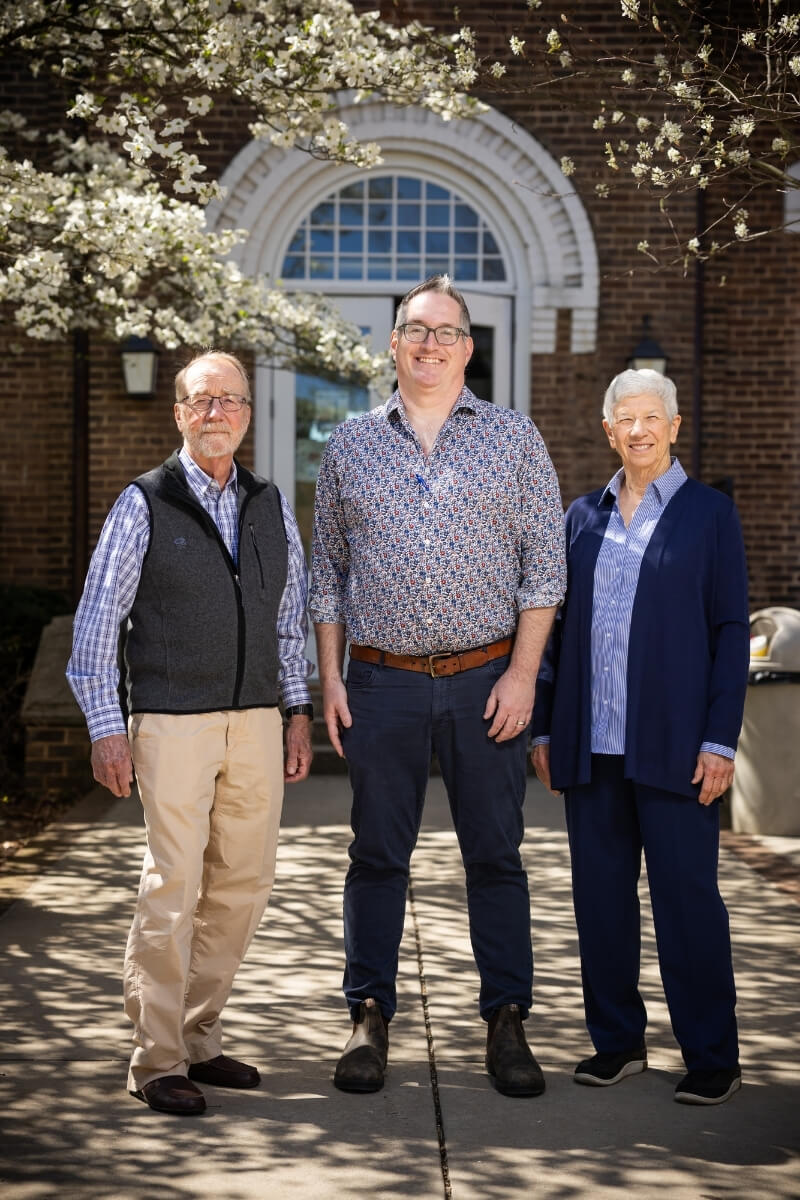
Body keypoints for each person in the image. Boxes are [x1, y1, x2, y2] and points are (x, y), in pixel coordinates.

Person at [310, 275, 566, 1097]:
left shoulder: (515, 440)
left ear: (468, 347)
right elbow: (327, 575)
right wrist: (331, 681)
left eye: (447, 332)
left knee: (496, 855)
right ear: (393, 344)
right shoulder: (350, 445)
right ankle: (368, 1016)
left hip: (485, 682)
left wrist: (524, 676)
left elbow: (544, 571)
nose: (430, 344)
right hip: (379, 684)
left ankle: (506, 1023)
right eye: (416, 330)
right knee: (377, 856)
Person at [67, 350, 313, 1116]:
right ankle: (156, 1056)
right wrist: (108, 728)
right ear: (179, 413)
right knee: (173, 886)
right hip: (171, 723)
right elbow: (96, 624)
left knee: (241, 886)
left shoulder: (270, 502)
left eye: (231, 401)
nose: (217, 414)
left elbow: (289, 617)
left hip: (256, 720)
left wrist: (296, 711)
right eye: (201, 401)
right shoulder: (145, 501)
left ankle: (201, 1038)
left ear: (247, 413)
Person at [531, 368, 749, 1106]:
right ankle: (617, 1042)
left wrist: (720, 740)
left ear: (675, 427)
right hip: (591, 747)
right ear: (607, 431)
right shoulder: (581, 518)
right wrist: (543, 723)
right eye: (625, 418)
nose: (639, 429)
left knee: (688, 902)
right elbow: (555, 630)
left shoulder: (710, 515)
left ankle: (712, 1053)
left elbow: (729, 634)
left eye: (652, 417)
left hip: (678, 748)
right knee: (601, 903)